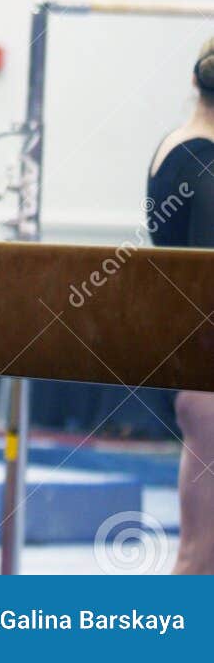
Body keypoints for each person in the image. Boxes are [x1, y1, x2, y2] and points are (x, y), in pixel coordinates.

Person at [146, 35, 214, 575]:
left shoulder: (175, 145)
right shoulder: (204, 162)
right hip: (208, 373)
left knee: (200, 553)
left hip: (196, 371)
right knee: (201, 556)